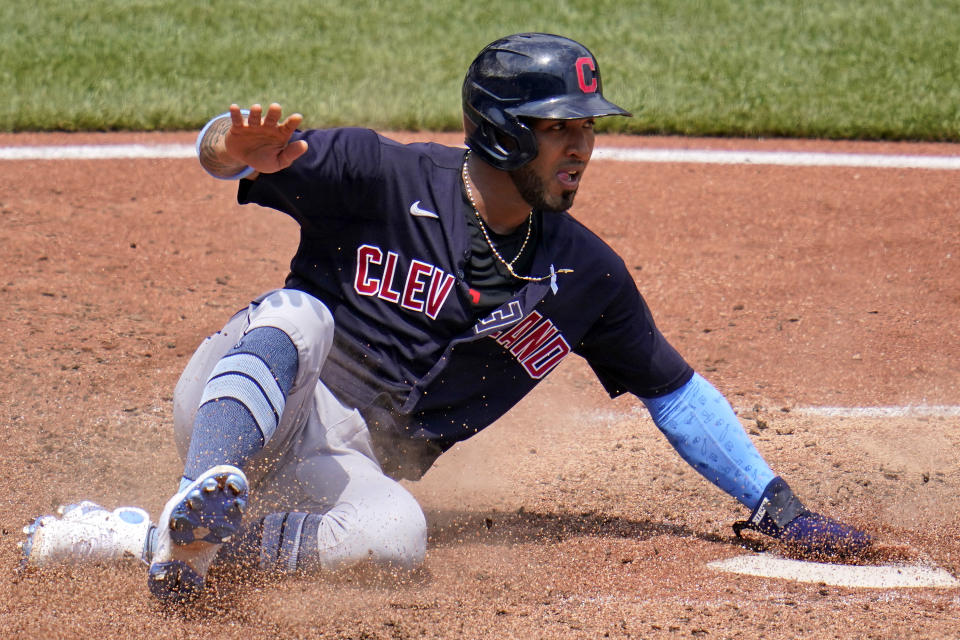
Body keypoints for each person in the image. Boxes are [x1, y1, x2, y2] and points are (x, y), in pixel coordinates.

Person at [20, 32, 870, 604]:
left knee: (396, 536)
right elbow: (225, 153)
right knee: (302, 315)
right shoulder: (379, 174)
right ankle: (200, 488)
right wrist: (224, 145)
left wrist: (778, 504)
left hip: (333, 468)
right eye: (559, 129)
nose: (581, 148)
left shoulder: (585, 275)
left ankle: (160, 542)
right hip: (254, 400)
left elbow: (673, 391)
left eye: (587, 130)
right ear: (502, 132)